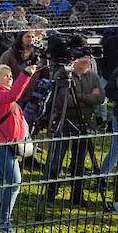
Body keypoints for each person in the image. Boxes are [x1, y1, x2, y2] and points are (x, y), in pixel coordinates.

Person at [44, 53, 104, 206]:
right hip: (65, 121)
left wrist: (80, 97)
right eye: (83, 57)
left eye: (89, 58)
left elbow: (100, 98)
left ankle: (77, 195)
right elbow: (65, 100)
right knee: (57, 159)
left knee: (79, 162)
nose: (86, 61)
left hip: (84, 123)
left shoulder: (93, 76)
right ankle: (50, 192)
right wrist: (88, 97)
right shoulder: (64, 75)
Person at [0, 64, 36, 233]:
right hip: (1, 145)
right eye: (5, 75)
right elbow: (14, 94)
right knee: (14, 182)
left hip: (8, 144)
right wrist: (26, 74)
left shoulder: (5, 96)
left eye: (11, 75)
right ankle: (5, 221)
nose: (9, 78)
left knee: (0, 177)